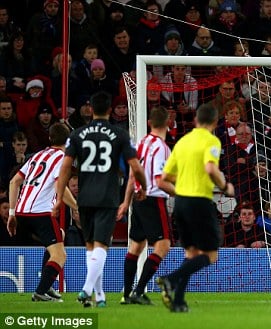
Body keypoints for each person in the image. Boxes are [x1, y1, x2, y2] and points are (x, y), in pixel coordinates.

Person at [52, 91, 147, 308]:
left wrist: (59, 198)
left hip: (84, 197)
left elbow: (65, 168)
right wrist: (143, 186)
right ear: (110, 110)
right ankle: (87, 288)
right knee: (101, 246)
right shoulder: (120, 134)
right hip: (107, 195)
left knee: (91, 247)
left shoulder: (77, 134)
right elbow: (135, 166)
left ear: (91, 110)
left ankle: (100, 295)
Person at [156, 102, 235, 313]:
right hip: (199, 201)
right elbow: (210, 168)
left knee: (191, 254)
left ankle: (179, 302)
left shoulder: (182, 141)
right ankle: (170, 280)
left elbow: (165, 178)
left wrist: (185, 180)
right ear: (215, 122)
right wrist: (225, 186)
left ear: (195, 120)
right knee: (210, 255)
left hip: (180, 202)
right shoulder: (212, 140)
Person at [7, 123, 78, 302]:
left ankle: (47, 287)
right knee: (60, 255)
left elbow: (14, 182)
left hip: (22, 213)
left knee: (59, 235)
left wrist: (12, 213)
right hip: (40, 213)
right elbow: (59, 184)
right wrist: (76, 207)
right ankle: (40, 292)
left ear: (49, 138)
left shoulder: (37, 155)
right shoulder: (63, 157)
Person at [117, 106, 172, 305]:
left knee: (136, 246)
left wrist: (125, 202)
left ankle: (127, 294)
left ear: (149, 123)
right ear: (168, 122)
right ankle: (139, 292)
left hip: (137, 200)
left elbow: (132, 174)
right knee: (163, 245)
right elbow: (158, 181)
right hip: (153, 199)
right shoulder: (161, 148)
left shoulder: (141, 143)